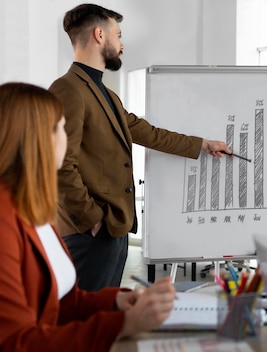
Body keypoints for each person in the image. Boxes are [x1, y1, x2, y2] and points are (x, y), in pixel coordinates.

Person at [49, 3, 232, 291]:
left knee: (106, 318)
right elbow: (59, 165)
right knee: (86, 321)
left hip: (112, 230)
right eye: (118, 35)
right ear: (99, 35)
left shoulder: (105, 93)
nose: (122, 44)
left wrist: (203, 145)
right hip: (91, 232)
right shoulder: (67, 89)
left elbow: (150, 134)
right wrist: (93, 220)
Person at [0, 82, 177, 351]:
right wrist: (123, 324)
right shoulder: (4, 220)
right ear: (36, 138)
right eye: (61, 127)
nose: (68, 136)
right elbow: (17, 343)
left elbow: (61, 304)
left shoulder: (35, 209)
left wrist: (116, 302)